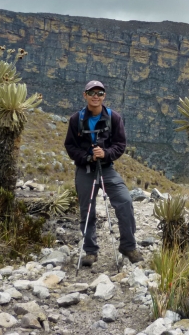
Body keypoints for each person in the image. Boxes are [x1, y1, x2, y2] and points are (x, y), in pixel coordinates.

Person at [64, 80, 143, 267]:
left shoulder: (113, 118)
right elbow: (70, 146)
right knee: (87, 210)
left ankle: (128, 246)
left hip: (107, 169)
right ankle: (90, 251)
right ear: (85, 95)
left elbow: (120, 145)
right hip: (85, 169)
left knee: (125, 201)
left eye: (99, 93)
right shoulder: (76, 119)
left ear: (104, 96)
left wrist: (105, 153)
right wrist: (87, 156)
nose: (95, 96)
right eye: (92, 92)